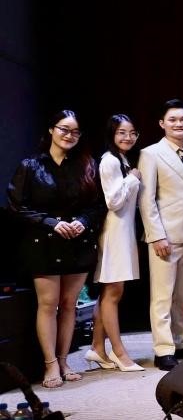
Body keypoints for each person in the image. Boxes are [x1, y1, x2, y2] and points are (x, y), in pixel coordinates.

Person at [7, 110, 104, 388]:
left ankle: (64, 361)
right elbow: (16, 206)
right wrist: (52, 223)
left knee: (70, 304)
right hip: (44, 243)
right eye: (64, 129)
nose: (69, 135)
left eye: (75, 132)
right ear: (51, 129)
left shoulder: (87, 165)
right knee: (48, 304)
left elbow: (98, 205)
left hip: (78, 242)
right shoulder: (30, 165)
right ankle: (50, 364)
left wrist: (83, 221)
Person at [137, 99, 183, 371]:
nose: (179, 124)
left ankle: (181, 342)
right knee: (162, 296)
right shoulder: (150, 154)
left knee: (182, 296)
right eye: (173, 120)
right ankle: (163, 350)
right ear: (162, 123)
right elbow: (146, 199)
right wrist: (156, 235)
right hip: (165, 236)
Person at [87, 114, 145, 373]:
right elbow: (114, 202)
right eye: (122, 132)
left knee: (109, 293)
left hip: (123, 230)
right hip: (114, 232)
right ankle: (119, 353)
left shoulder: (121, 159)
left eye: (132, 133)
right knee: (113, 293)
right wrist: (133, 178)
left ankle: (97, 347)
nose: (128, 137)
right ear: (112, 134)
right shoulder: (109, 161)